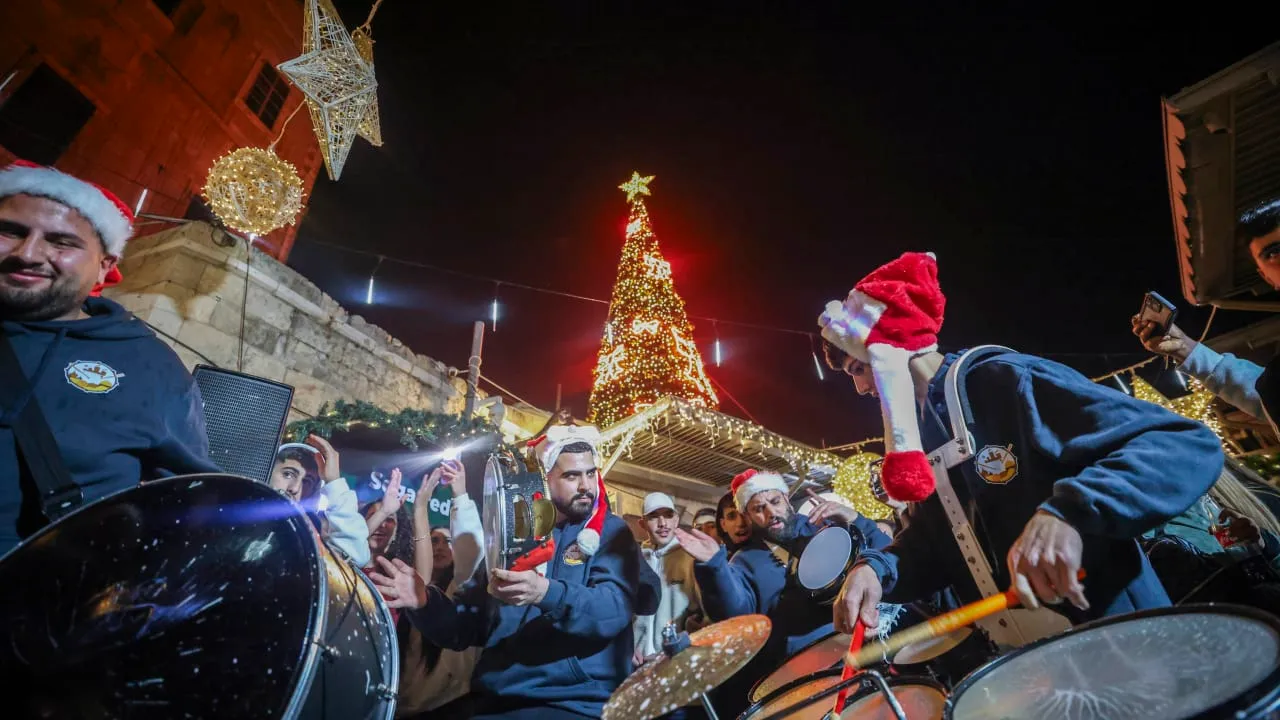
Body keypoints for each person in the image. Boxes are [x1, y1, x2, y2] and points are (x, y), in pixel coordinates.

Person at [818, 251, 1223, 638]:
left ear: (888, 350)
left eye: (858, 368)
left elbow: (1180, 442)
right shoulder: (917, 435)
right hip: (1032, 657)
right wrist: (876, 568)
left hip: (1124, 633)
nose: (860, 388)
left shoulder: (1003, 380)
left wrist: (1068, 513)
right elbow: (935, 544)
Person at [0, 160, 216, 557]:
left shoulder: (153, 369)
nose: (27, 253)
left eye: (62, 242)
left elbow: (191, 506)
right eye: (10, 231)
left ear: (104, 268)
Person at [370, 425, 658, 719]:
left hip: (572, 702)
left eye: (590, 473)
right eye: (572, 476)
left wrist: (545, 593)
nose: (586, 485)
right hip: (497, 698)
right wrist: (425, 603)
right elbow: (467, 624)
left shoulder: (610, 531)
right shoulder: (514, 532)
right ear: (544, 478)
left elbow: (612, 610)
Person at [676, 469, 892, 718]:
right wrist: (713, 566)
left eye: (775, 501)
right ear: (748, 516)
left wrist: (856, 519)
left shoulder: (827, 529)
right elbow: (734, 613)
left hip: (859, 656)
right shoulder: (746, 560)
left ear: (787, 500)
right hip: (800, 676)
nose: (770, 512)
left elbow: (889, 558)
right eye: (758, 509)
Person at [397, 458, 484, 719]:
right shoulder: (418, 594)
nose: (440, 546)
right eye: (433, 541)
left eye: (448, 541)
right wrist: (420, 506)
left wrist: (460, 494)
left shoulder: (462, 588)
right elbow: (422, 581)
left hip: (451, 707)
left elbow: (471, 554)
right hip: (406, 709)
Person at [269, 434, 370, 566]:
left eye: (307, 482)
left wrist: (334, 482)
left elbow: (355, 557)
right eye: (288, 474)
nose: (294, 488)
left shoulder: (304, 543)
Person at [633, 492, 703, 662]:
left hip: (676, 660)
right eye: (653, 517)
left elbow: (706, 616)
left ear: (676, 520)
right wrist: (629, 646)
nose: (662, 523)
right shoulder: (636, 560)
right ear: (642, 523)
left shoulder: (691, 557)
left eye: (668, 515)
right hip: (637, 662)